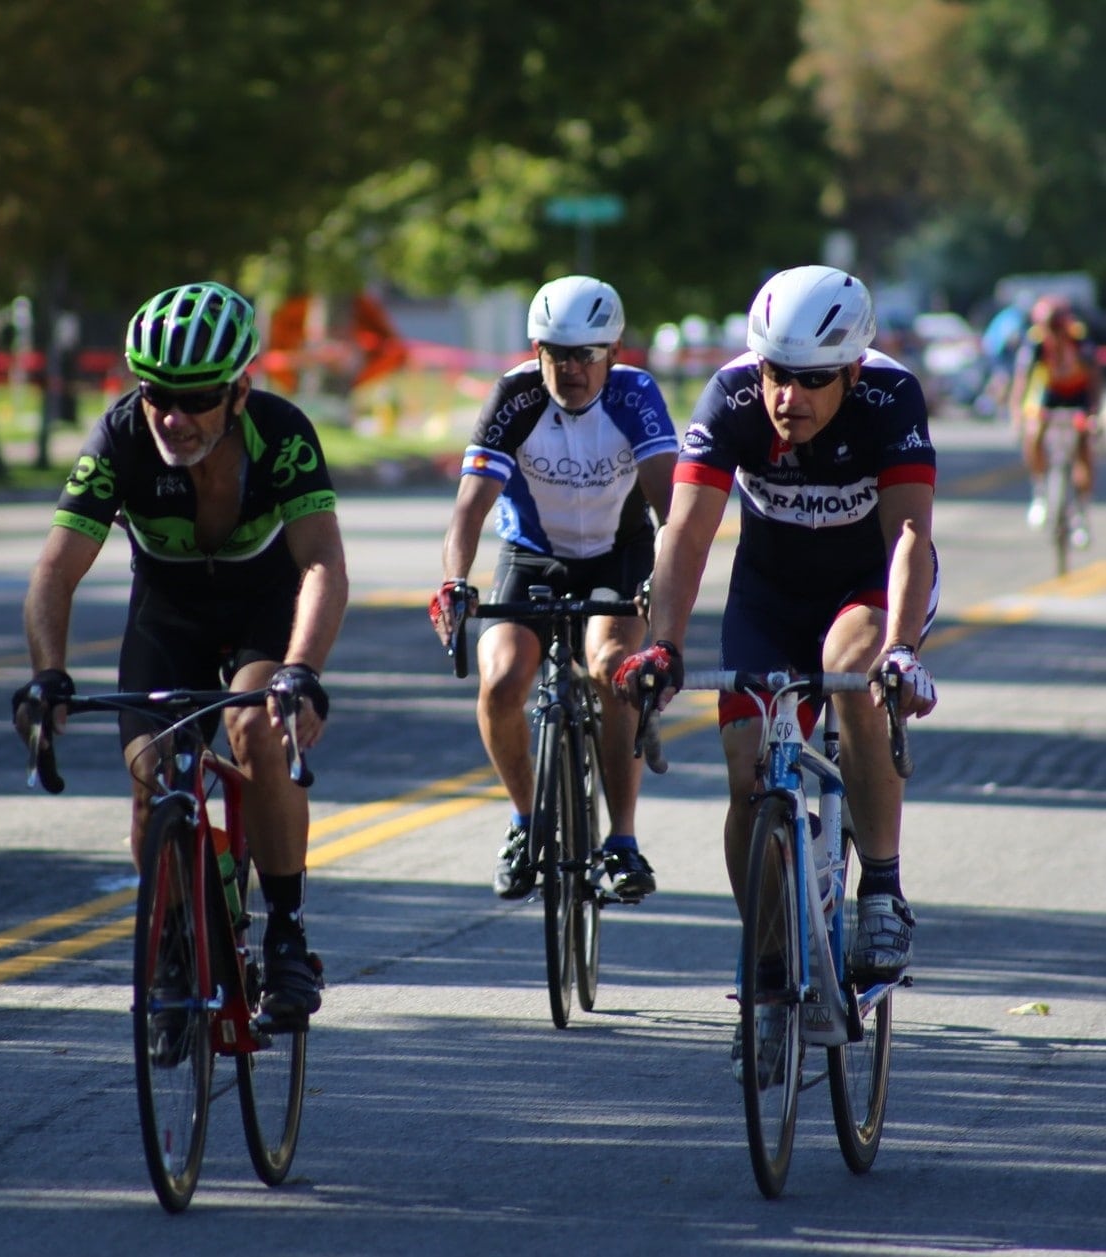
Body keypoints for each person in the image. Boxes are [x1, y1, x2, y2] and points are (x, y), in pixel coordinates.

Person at [613, 265, 939, 1077]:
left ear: (852, 372)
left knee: (850, 668)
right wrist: (662, 643)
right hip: (769, 591)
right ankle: (765, 971)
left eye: (811, 379)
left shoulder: (889, 398)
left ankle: (881, 888)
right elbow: (685, 534)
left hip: (869, 587)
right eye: (774, 372)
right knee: (746, 769)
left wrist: (901, 649)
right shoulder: (729, 398)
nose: (787, 395)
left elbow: (908, 536)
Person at [12, 280, 348, 1020]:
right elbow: (55, 571)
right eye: (157, 394)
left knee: (257, 727)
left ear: (239, 391)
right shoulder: (121, 438)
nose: (173, 416)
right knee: (151, 778)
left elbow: (323, 561)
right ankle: (171, 942)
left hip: (263, 610)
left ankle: (286, 934)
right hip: (168, 617)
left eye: (196, 398)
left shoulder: (281, 433)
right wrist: (48, 675)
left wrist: (302, 671)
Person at [430, 275, 678, 902]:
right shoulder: (514, 397)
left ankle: (622, 840)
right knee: (501, 679)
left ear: (613, 352)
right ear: (536, 350)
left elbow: (671, 508)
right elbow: (468, 510)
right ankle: (524, 822)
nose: (572, 369)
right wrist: (455, 582)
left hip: (618, 556)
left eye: (587, 354)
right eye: (558, 354)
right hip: (533, 556)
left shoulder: (636, 395)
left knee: (613, 668)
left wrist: (664, 583)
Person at [1009, 294, 1102, 545]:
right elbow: (1021, 381)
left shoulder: (1080, 341)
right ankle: (1040, 491)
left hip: (1078, 395)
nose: (1054, 334)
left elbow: (1094, 380)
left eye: (1057, 327)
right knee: (1033, 433)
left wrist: (1094, 413)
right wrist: (1017, 414)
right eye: (1048, 328)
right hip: (1052, 394)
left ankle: (1081, 512)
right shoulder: (1035, 344)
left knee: (1084, 445)